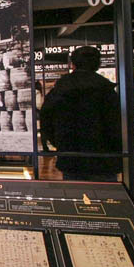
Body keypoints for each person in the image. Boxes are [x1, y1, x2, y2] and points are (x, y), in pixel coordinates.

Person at [39, 46, 121, 182]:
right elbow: (116, 126)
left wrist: (61, 144)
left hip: (72, 156)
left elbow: (46, 119)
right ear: (97, 64)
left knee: (75, 196)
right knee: (106, 198)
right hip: (102, 158)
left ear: (73, 64)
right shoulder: (106, 91)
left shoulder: (60, 90)